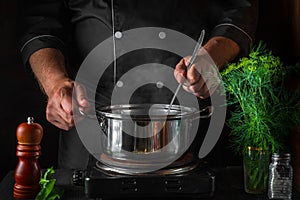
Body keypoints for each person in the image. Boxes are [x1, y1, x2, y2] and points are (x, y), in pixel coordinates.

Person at [18, 0, 259, 169]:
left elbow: (239, 9)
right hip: (90, 120)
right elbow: (40, 22)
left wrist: (212, 56)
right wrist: (56, 84)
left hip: (187, 119)